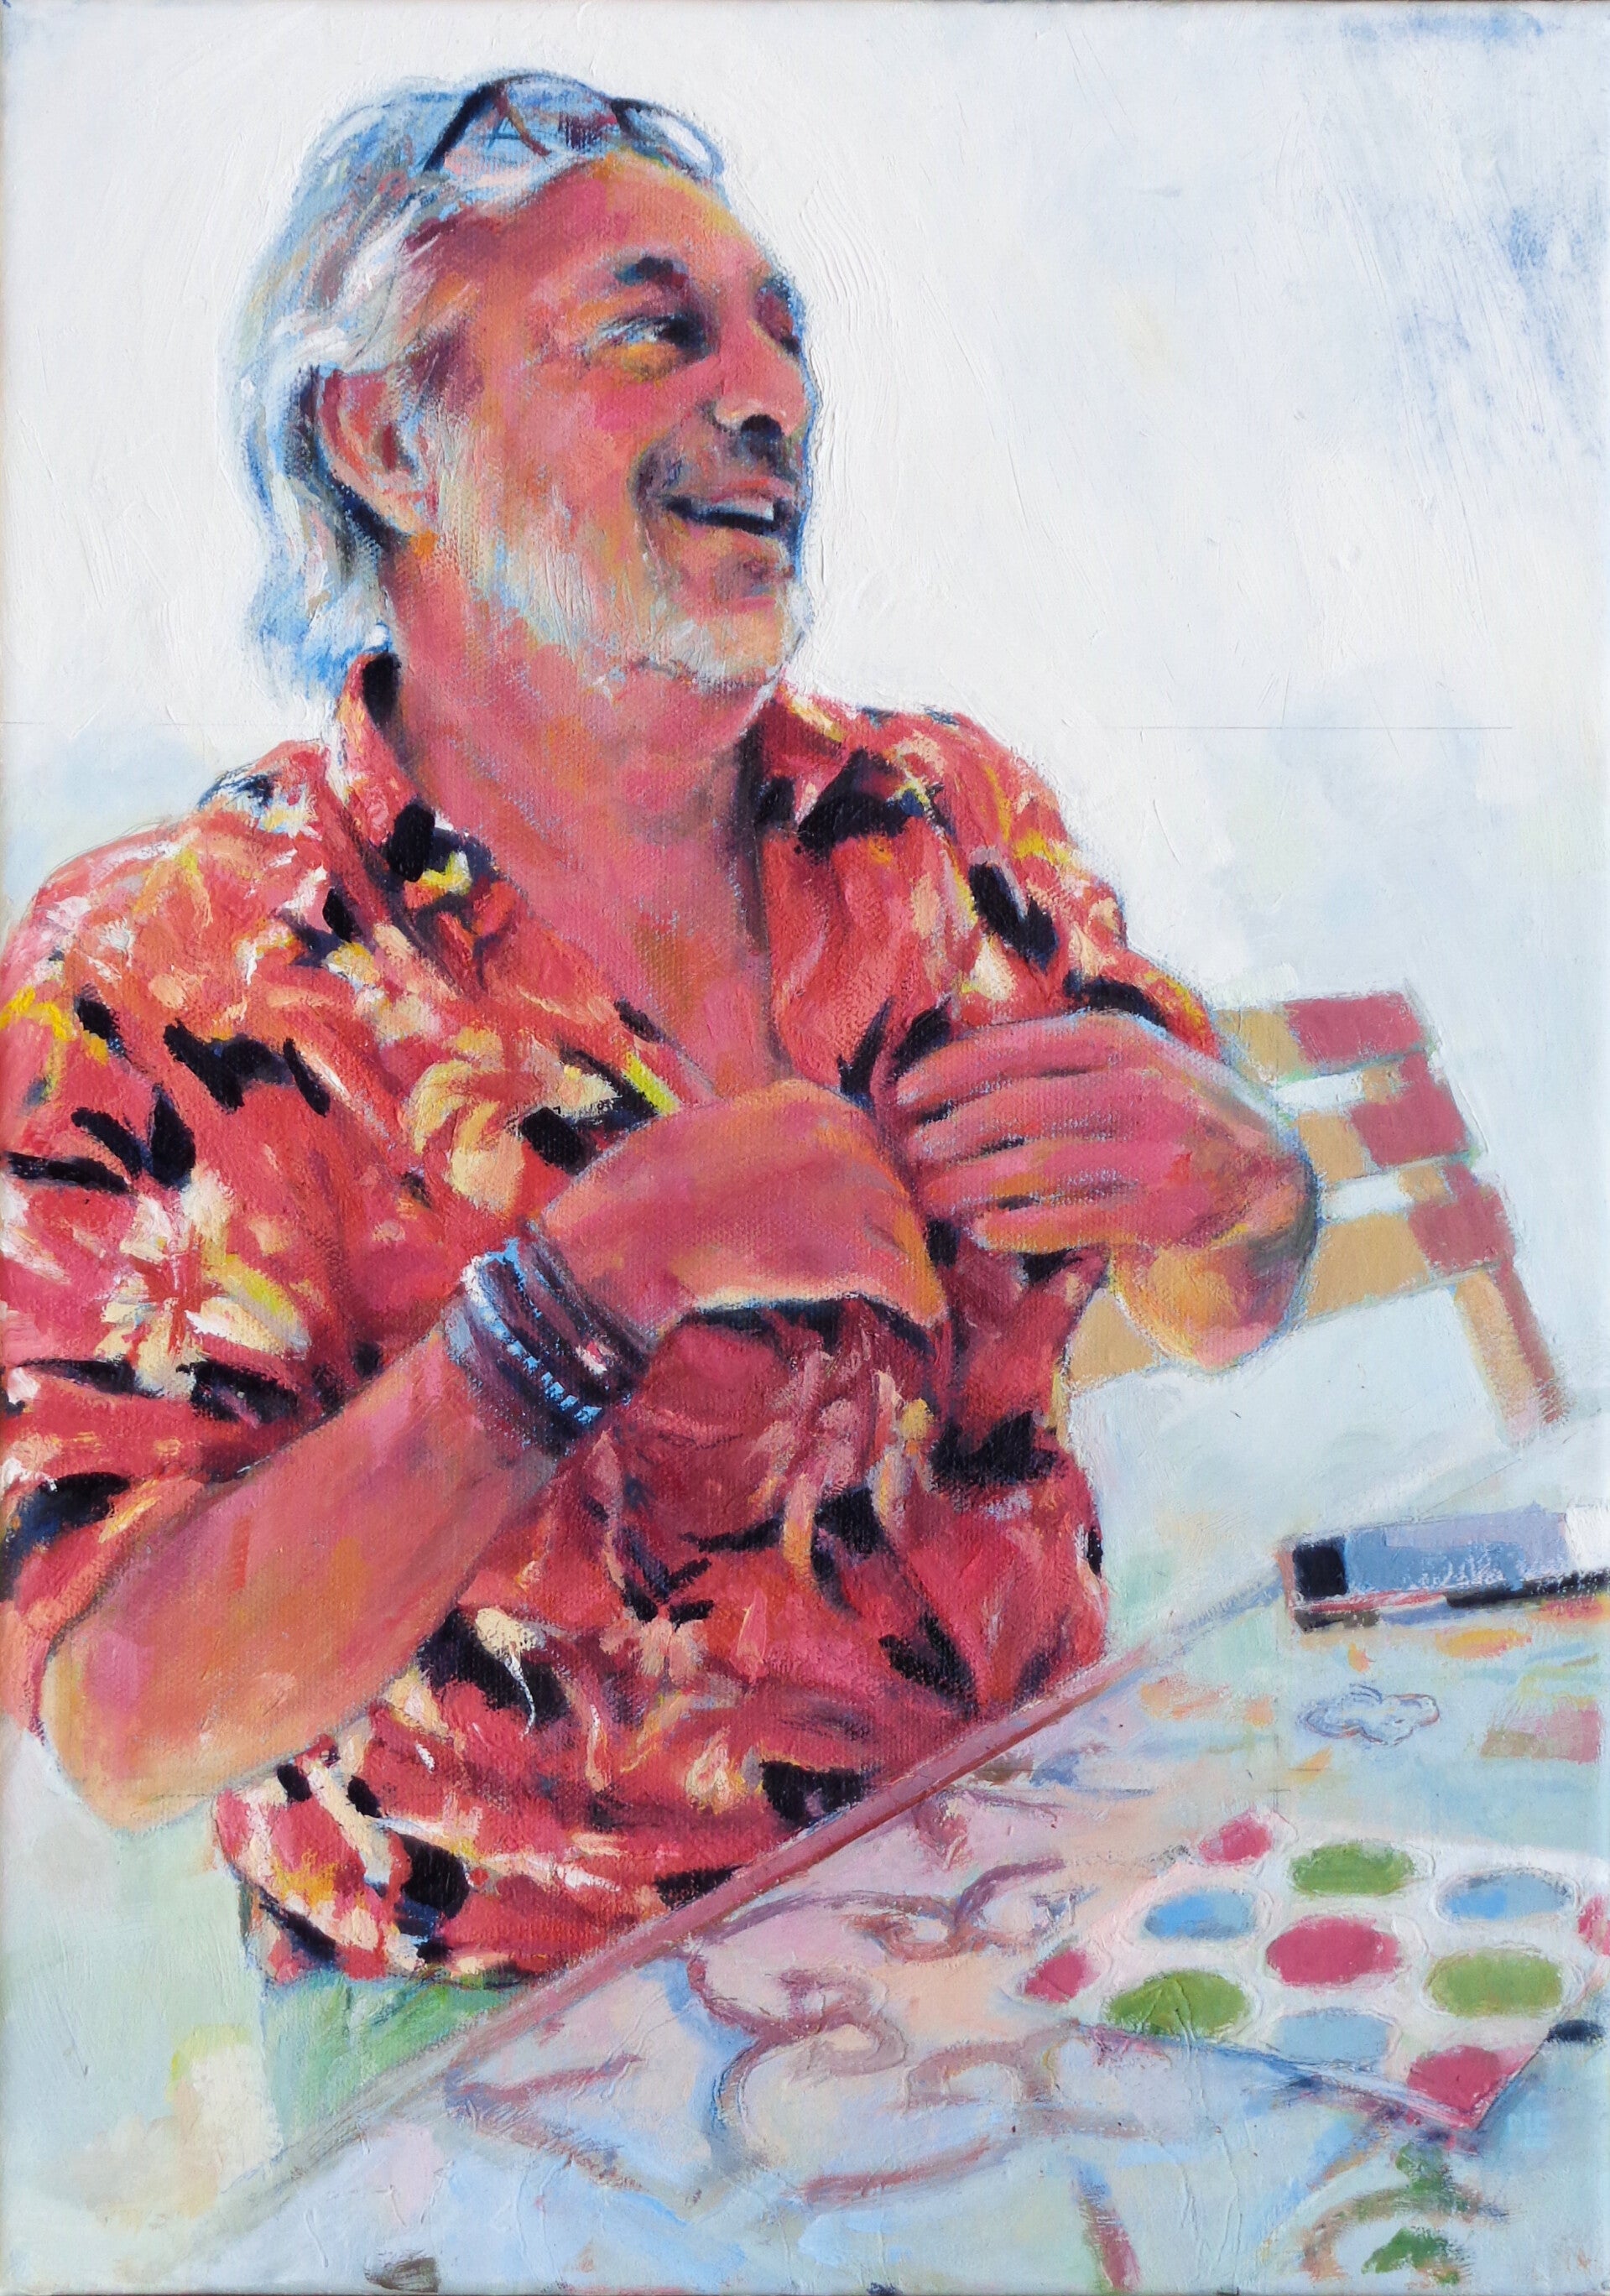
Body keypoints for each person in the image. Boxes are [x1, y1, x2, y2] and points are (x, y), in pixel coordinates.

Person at [0, 73, 1316, 1985]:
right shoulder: (170, 960)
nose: (772, 398)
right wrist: (588, 1288)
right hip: (525, 2029)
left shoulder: (943, 820)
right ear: (386, 438)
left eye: (784, 333)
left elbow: (1210, 1302)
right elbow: (120, 1714)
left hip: (1053, 1889)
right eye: (652, 334)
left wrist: (1246, 1197)